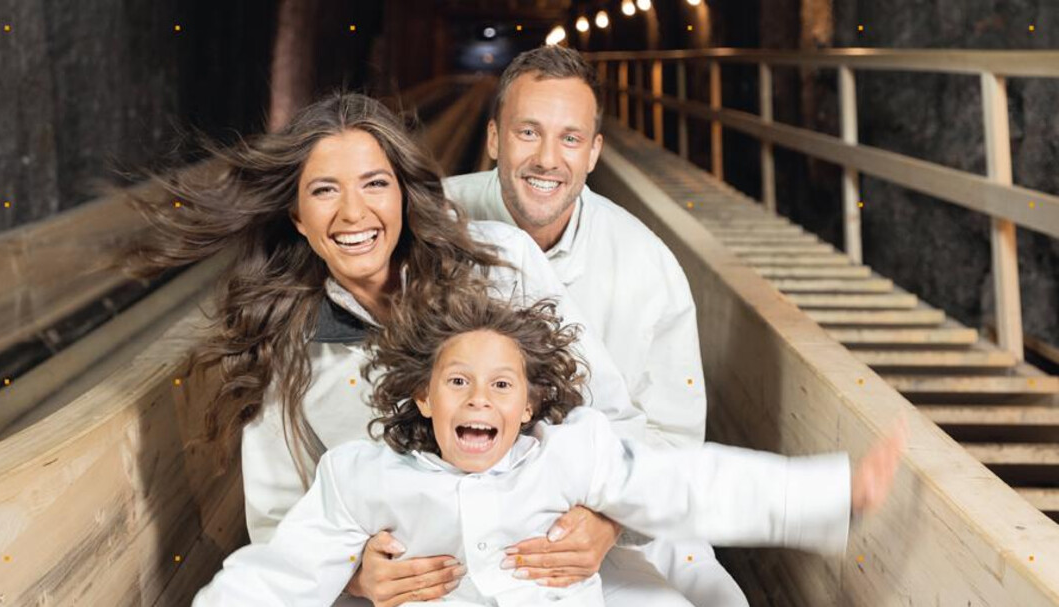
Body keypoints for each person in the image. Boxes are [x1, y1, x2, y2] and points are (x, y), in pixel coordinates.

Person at [120, 92, 718, 606]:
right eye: (325, 191)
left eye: (375, 184)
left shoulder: (501, 262)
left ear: (404, 194)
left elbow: (614, 419)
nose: (354, 213)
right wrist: (356, 576)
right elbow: (281, 522)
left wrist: (607, 523)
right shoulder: (287, 344)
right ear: (297, 216)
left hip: (554, 574)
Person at [192, 294, 903, 607]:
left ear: (529, 405)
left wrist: (831, 492)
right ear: (423, 398)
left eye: (502, 385)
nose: (479, 399)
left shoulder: (570, 454)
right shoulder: (364, 476)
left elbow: (688, 484)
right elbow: (279, 573)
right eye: (458, 382)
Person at [438, 45, 741, 605]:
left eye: (570, 138)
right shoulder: (431, 226)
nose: (548, 159)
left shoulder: (646, 266)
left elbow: (672, 441)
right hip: (450, 508)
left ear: (594, 152)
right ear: (493, 139)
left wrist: (610, 522)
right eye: (528, 132)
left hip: (602, 519)